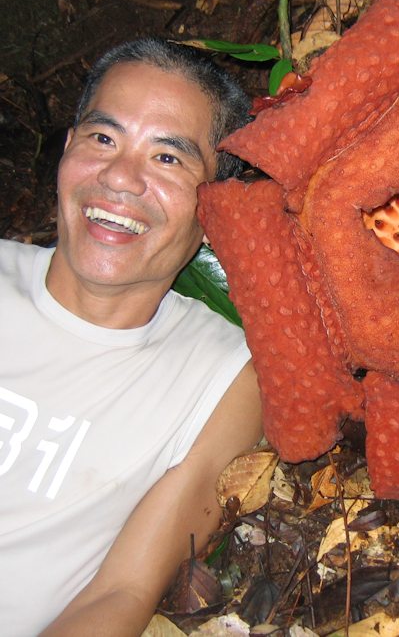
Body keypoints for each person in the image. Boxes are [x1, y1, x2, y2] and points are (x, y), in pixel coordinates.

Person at [0, 38, 264, 636]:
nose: (120, 177)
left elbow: (121, 592)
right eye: (102, 139)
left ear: (214, 205)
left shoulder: (220, 375)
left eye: (168, 158)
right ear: (67, 152)